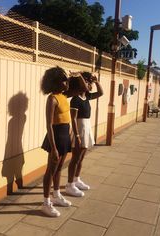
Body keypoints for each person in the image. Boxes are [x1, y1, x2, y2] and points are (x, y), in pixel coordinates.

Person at [40, 67, 86, 217]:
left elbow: (83, 88)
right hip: (56, 137)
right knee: (50, 170)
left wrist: (78, 75)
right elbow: (49, 125)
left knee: (59, 168)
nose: (67, 82)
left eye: (66, 79)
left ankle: (56, 195)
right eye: (64, 80)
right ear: (55, 82)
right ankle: (46, 203)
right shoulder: (52, 99)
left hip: (65, 135)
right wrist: (53, 148)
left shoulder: (64, 95)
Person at [66, 72, 103, 197]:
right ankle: (69, 184)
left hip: (86, 128)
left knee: (81, 158)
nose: (89, 84)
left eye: (90, 82)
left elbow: (101, 93)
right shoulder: (75, 99)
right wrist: (76, 136)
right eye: (88, 82)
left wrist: (97, 81)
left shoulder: (87, 97)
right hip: (79, 129)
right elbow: (73, 119)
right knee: (75, 158)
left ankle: (76, 179)